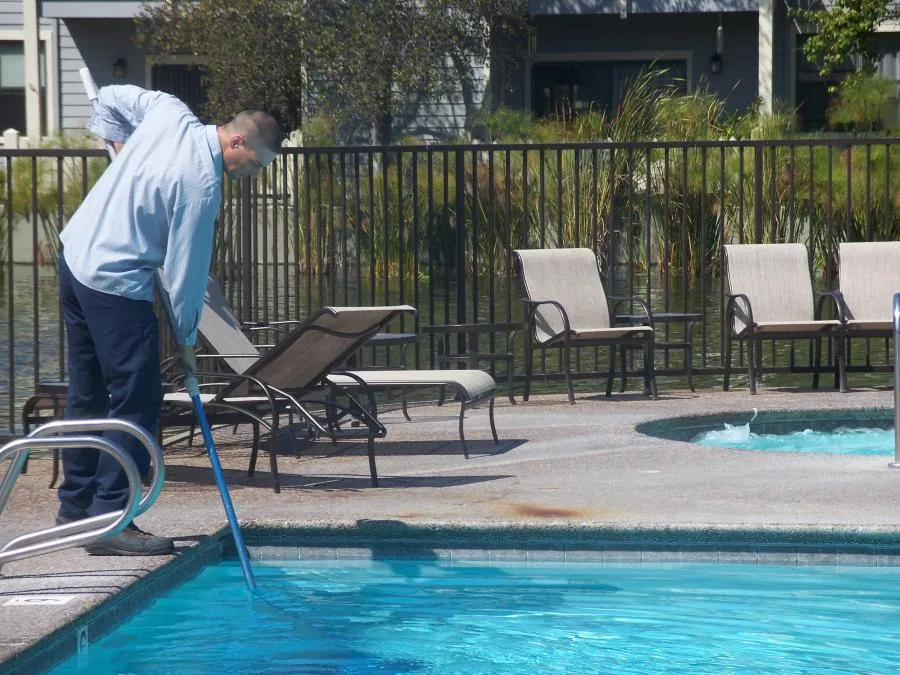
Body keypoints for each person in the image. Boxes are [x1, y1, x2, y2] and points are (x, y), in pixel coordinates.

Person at [57, 85, 280, 555]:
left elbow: (111, 95)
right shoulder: (202, 184)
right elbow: (184, 273)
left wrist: (115, 140)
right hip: (113, 283)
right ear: (236, 143)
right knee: (137, 399)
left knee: (89, 391)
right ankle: (111, 518)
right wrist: (186, 341)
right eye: (255, 165)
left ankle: (75, 508)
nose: (251, 175)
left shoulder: (170, 112)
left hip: (74, 258)